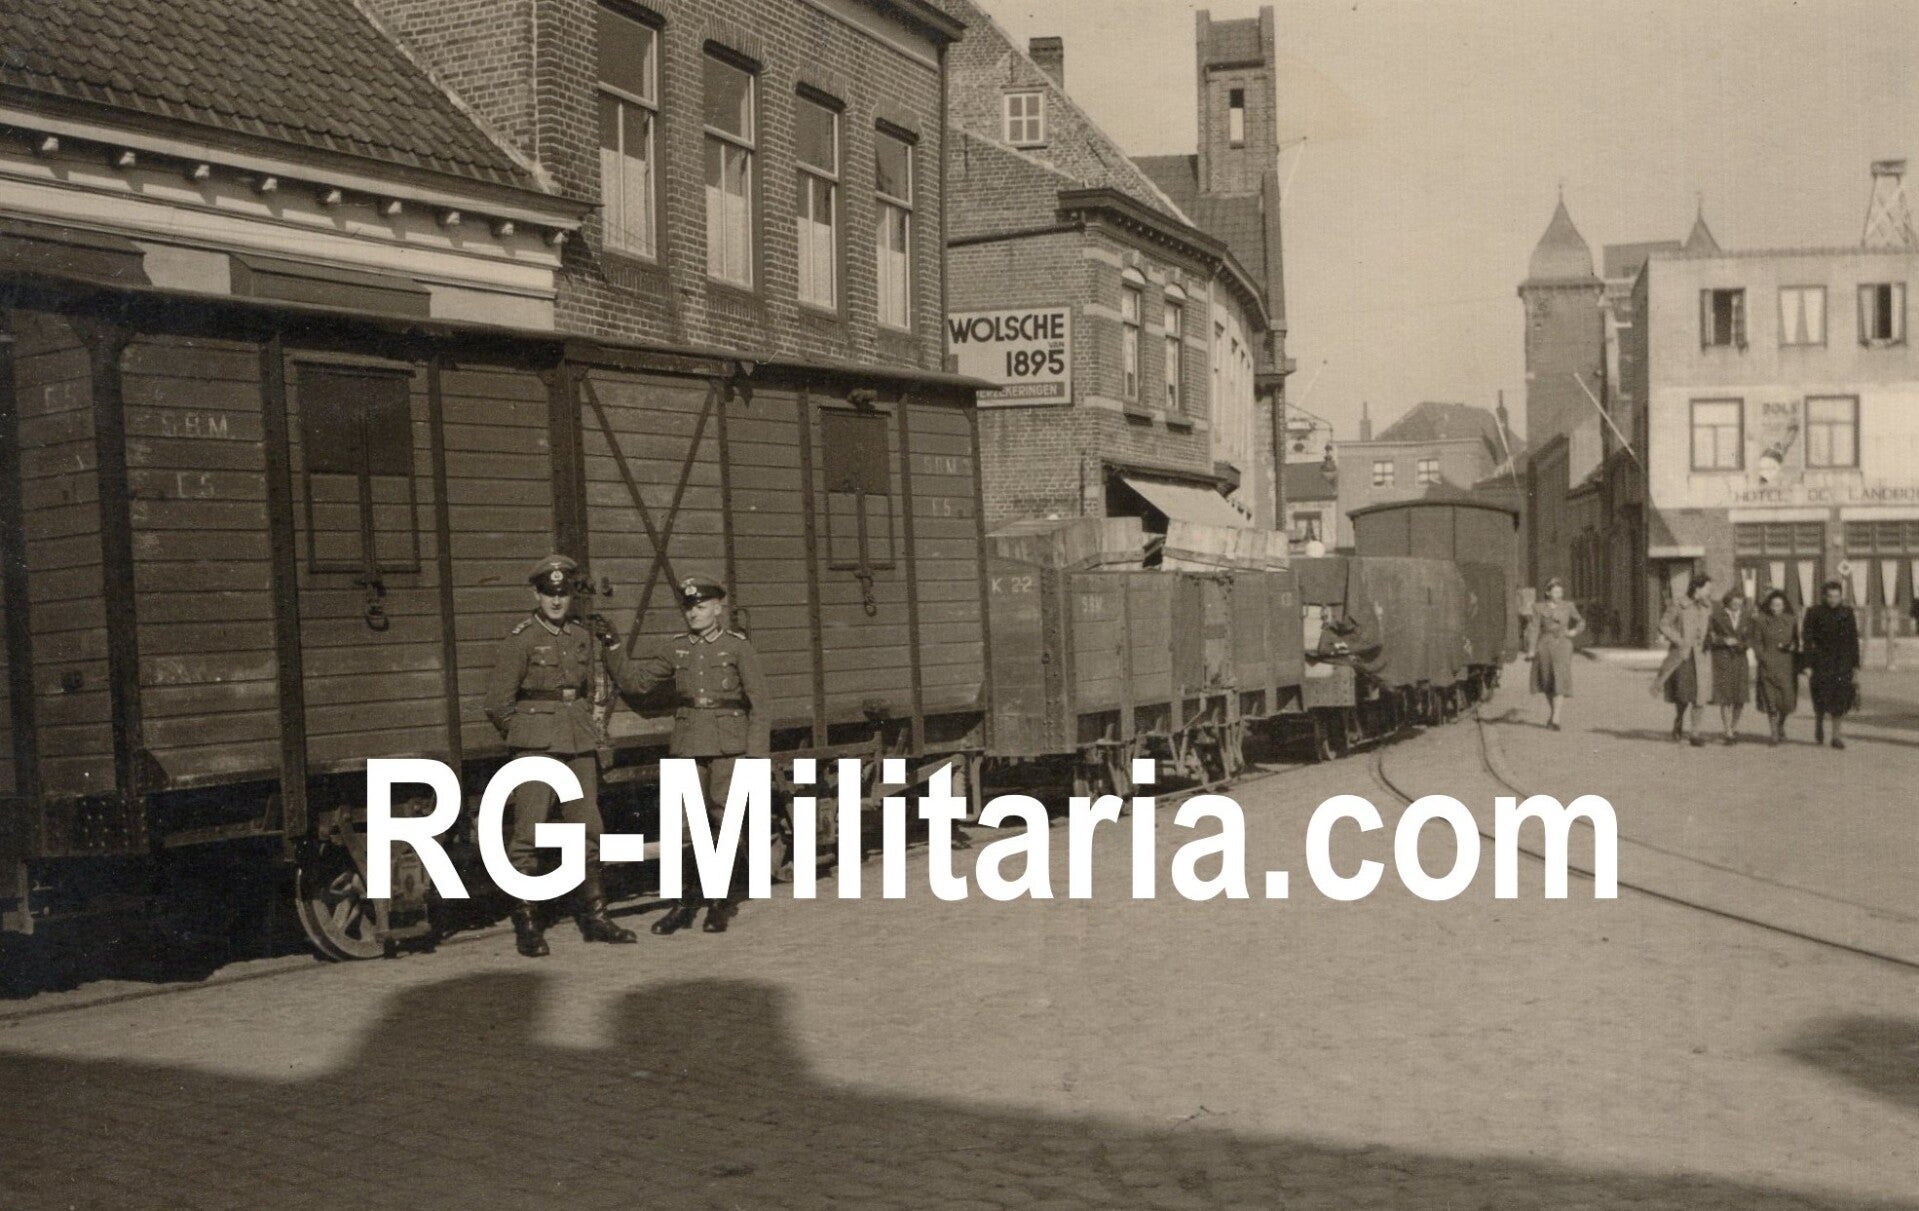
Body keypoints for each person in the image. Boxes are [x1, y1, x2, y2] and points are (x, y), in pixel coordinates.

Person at [485, 554, 652, 958]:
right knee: (529, 833)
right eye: (549, 592)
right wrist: (527, 735)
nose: (556, 600)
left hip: (578, 742)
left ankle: (595, 918)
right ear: (536, 593)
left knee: (588, 829)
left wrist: (611, 640)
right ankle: (527, 925)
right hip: (536, 746)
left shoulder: (582, 636)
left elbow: (610, 678)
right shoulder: (521, 639)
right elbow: (497, 704)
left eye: (562, 593)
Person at [624, 574, 771, 936]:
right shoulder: (676, 648)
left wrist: (755, 755)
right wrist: (612, 647)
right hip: (688, 745)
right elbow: (638, 682)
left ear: (718, 608)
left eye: (701, 607)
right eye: (689, 608)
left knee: (724, 822)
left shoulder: (738, 647)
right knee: (684, 828)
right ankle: (683, 904)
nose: (694, 613)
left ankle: (719, 904)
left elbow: (761, 703)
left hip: (728, 746)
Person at [1652, 572, 1715, 746]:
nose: (1709, 592)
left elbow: (1709, 628)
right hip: (1683, 656)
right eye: (1707, 588)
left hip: (1701, 656)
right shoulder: (1679, 604)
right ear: (1697, 588)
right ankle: (1679, 719)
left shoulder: (1707, 607)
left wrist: (1711, 637)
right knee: (1683, 694)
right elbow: (1663, 625)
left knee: (1700, 695)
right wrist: (1679, 640)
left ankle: (1695, 733)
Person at [1800, 580, 1861, 750]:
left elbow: (1853, 639)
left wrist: (1855, 665)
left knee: (1840, 698)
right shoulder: (1814, 612)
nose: (1833, 599)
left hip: (1843, 662)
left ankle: (1836, 736)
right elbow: (1807, 639)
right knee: (1820, 696)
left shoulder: (1847, 612)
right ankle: (1819, 721)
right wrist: (1807, 664)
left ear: (1841, 596)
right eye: (1830, 596)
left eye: (1837, 596)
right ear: (1824, 597)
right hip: (1821, 661)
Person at [1524, 577, 1583, 730]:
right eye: (1556, 592)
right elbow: (1535, 628)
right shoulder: (1538, 608)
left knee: (1560, 678)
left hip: (1563, 645)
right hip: (1545, 645)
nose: (1559, 594)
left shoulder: (1568, 606)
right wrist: (1531, 649)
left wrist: (1574, 631)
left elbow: (1581, 621)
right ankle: (1553, 714)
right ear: (1548, 592)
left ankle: (1556, 718)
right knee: (1547, 680)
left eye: (1561, 592)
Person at [1706, 587, 1756, 744]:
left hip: (1740, 659)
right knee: (1726, 696)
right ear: (1728, 602)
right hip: (1723, 659)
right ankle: (1727, 731)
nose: (1737, 606)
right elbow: (1708, 637)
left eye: (1740, 604)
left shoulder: (1747, 617)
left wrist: (1743, 644)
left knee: (1740, 697)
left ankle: (1733, 728)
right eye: (1734, 603)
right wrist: (1723, 641)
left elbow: (1752, 637)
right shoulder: (1716, 616)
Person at [1751, 589, 1799, 746]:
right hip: (1767, 665)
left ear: (1784, 605)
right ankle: (1773, 734)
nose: (1776, 608)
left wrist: (1792, 646)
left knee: (1786, 701)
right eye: (1773, 605)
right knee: (1770, 701)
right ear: (1769, 606)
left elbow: (1797, 641)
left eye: (1779, 605)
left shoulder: (1791, 620)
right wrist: (1763, 658)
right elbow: (1756, 643)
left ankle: (1781, 725)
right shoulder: (1761, 621)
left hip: (1786, 665)